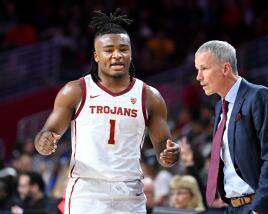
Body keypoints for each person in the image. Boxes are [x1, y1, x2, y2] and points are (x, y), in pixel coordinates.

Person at [34, 9, 180, 214]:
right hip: (86, 192)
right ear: (96, 55)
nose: (117, 55)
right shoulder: (75, 90)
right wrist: (44, 142)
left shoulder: (150, 96)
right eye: (109, 50)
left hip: (130, 193)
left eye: (123, 49)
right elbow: (46, 134)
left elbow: (164, 148)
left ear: (131, 52)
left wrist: (171, 154)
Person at [194, 40, 268, 214]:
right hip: (233, 207)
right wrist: (223, 192)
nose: (198, 77)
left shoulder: (259, 96)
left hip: (263, 207)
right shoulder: (220, 106)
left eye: (204, 69)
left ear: (225, 69)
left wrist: (259, 208)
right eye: (197, 70)